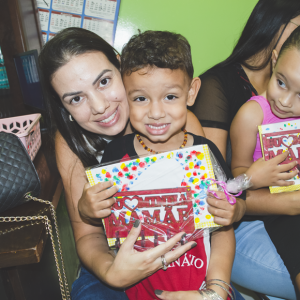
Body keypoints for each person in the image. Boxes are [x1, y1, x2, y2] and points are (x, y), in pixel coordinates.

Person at [38, 27, 239, 300]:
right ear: (65, 108)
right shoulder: (71, 142)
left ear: (121, 67)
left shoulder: (176, 125)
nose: (99, 106)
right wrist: (112, 272)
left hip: (187, 258)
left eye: (104, 81)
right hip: (112, 258)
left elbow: (216, 221)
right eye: (76, 98)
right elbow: (87, 235)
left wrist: (214, 291)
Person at [100, 30, 243, 300]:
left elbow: (223, 230)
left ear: (191, 93)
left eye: (170, 97)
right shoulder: (117, 154)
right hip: (138, 287)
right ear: (125, 97)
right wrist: (89, 208)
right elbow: (106, 229)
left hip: (199, 284)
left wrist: (215, 290)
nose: (155, 112)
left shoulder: (204, 153)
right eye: (140, 98)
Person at [191, 0, 300, 298]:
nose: (287, 102)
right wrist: (284, 199)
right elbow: (221, 188)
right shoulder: (243, 105)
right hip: (248, 217)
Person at [231, 26, 300, 295]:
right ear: (273, 61)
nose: (284, 101)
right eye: (281, 82)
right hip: (273, 203)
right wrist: (258, 177)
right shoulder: (252, 114)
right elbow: (237, 172)